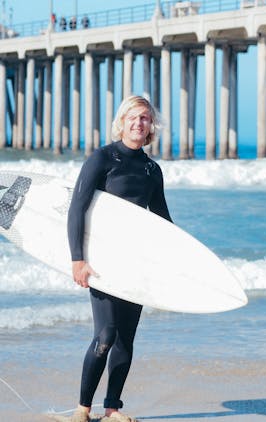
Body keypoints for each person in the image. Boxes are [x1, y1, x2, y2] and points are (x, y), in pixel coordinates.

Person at [66, 96, 170, 422]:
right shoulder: (102, 158)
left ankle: (112, 408)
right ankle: (83, 409)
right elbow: (77, 208)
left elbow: (162, 220)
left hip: (136, 263)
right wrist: (77, 260)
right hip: (102, 261)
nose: (139, 123)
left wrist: (176, 264)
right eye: (133, 118)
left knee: (126, 338)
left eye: (145, 118)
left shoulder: (152, 170)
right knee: (106, 334)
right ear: (122, 121)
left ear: (151, 126)